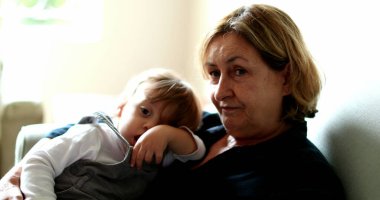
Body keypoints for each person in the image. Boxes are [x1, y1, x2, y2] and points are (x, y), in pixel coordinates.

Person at [0, 4, 346, 200]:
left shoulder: (302, 180)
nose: (220, 91)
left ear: (286, 77)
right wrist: (25, 167)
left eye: (238, 72)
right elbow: (106, 128)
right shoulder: (209, 126)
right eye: (213, 73)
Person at [19, 68, 205, 199]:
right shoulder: (94, 136)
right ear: (122, 107)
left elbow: (197, 151)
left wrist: (167, 135)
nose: (151, 126)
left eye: (166, 124)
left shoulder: (160, 153)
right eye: (145, 112)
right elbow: (40, 161)